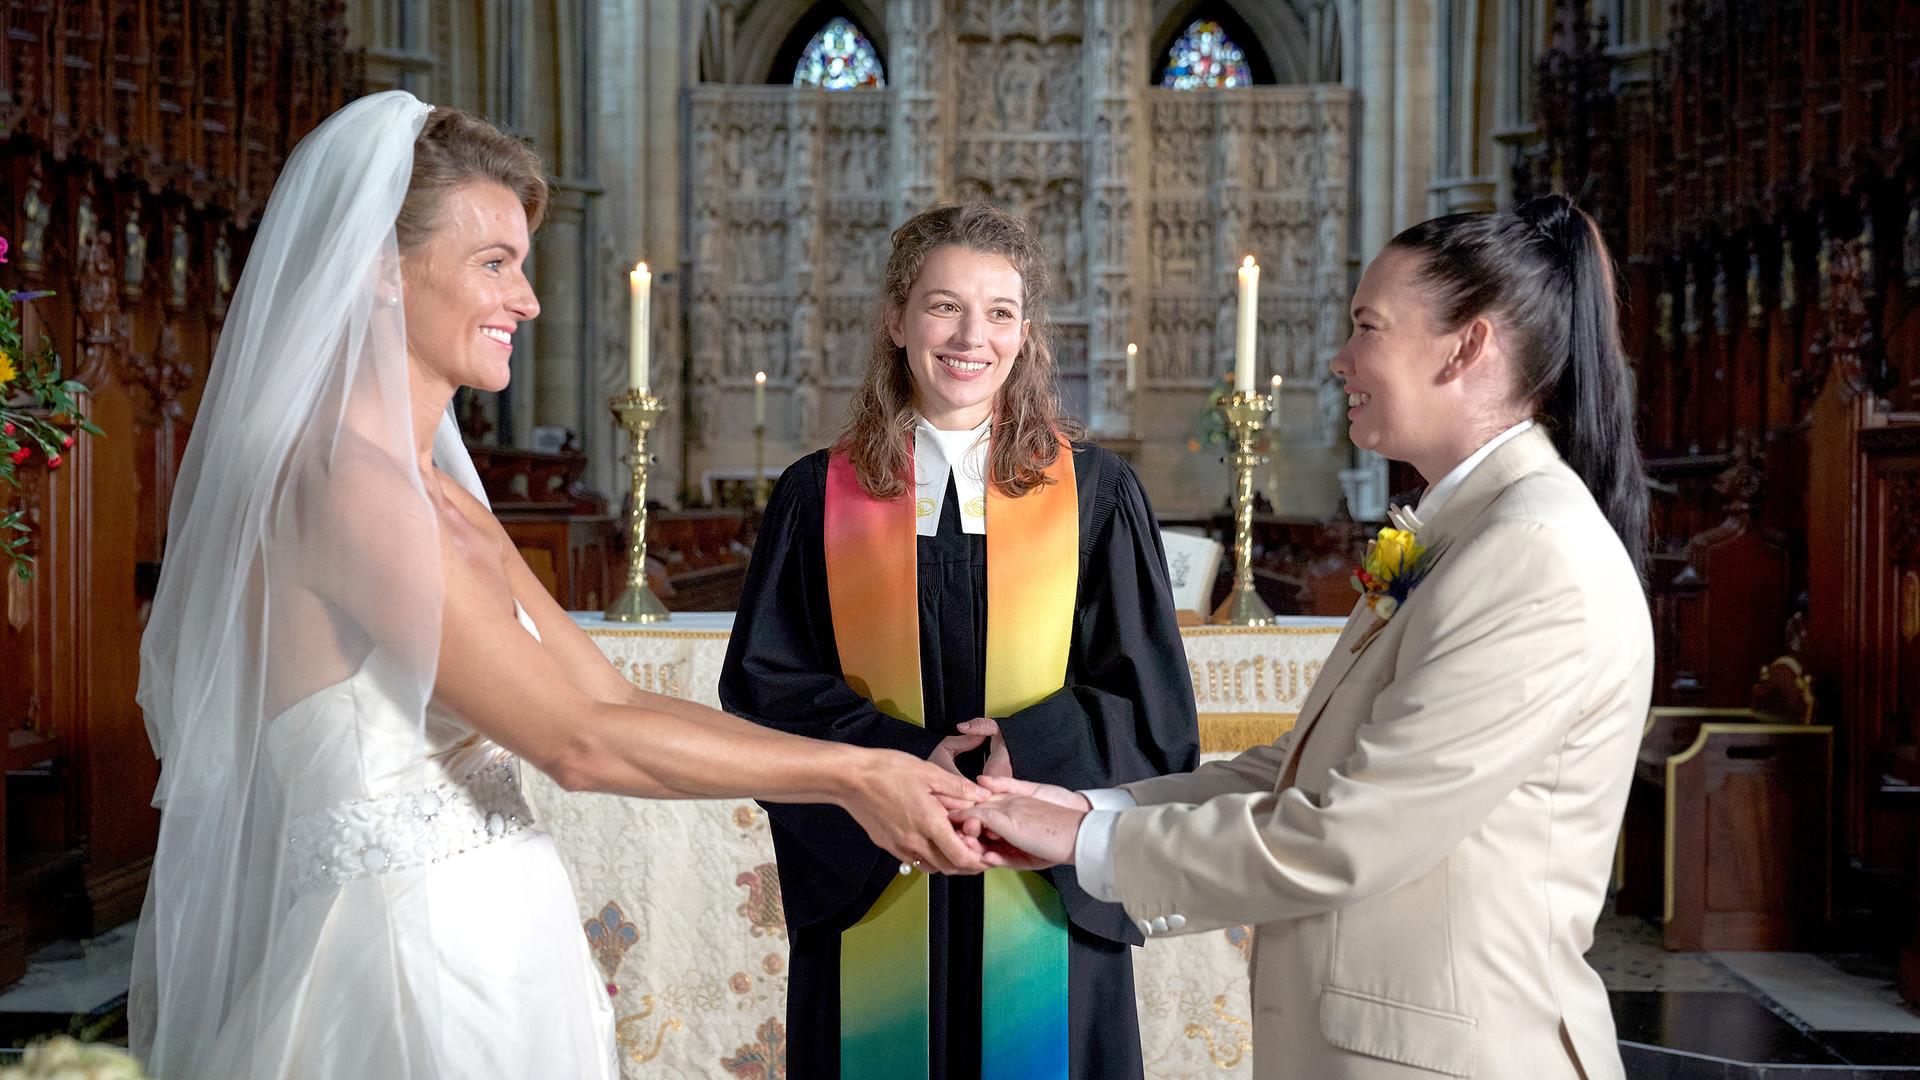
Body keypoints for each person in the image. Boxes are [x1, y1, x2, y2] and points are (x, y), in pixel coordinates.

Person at [130, 91, 985, 1080]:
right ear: (377, 272)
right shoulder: (338, 484)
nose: (528, 301)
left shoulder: (443, 492)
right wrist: (850, 779)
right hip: (406, 968)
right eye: (494, 263)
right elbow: (575, 744)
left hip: (504, 948)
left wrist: (885, 763)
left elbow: (610, 698)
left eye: (522, 266)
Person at [964, 194, 1654, 1080]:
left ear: (1467, 346)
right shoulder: (1466, 532)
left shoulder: (1532, 553)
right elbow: (1305, 767)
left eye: (1368, 328)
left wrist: (1088, 848)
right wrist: (1094, 807)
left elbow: (1352, 833)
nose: (1340, 359)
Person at [718, 203, 1199, 1080]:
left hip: (1044, 884)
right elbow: (764, 689)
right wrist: (905, 761)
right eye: (944, 306)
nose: (971, 336)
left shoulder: (1096, 495)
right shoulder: (815, 497)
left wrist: (1021, 749)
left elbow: (1152, 707)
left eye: (1000, 312)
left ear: (1025, 333)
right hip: (875, 864)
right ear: (896, 321)